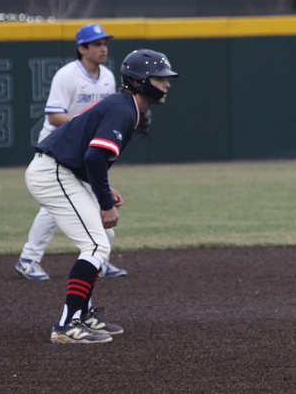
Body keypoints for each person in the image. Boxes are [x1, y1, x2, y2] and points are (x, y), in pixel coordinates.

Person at [25, 48, 178, 343]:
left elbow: (89, 156)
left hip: (63, 171)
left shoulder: (124, 105)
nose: (167, 84)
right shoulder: (123, 108)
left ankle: (83, 312)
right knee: (95, 246)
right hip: (52, 173)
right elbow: (95, 158)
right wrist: (105, 203)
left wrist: (103, 188)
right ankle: (67, 325)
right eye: (160, 78)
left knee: (101, 242)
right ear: (140, 81)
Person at [15, 23, 128, 280]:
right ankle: (29, 258)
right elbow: (54, 116)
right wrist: (85, 127)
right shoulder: (68, 75)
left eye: (105, 43)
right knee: (57, 206)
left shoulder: (108, 77)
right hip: (57, 151)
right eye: (97, 44)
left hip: (83, 152)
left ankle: (100, 257)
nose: (103, 48)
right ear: (82, 48)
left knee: (90, 201)